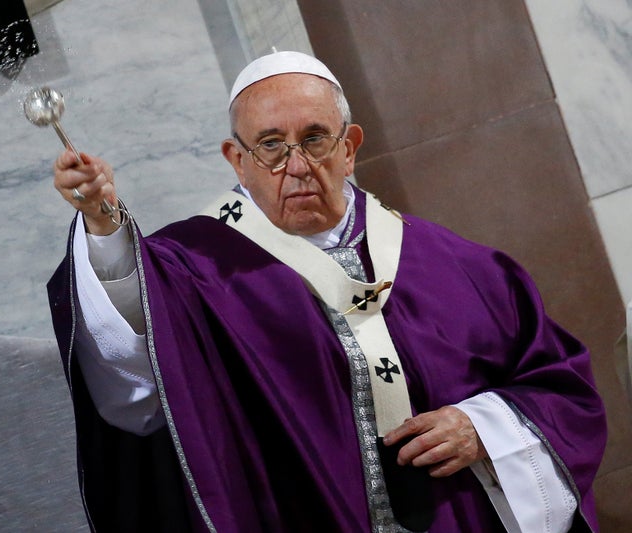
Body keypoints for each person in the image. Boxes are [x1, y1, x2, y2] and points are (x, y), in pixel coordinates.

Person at [47, 51, 606, 533]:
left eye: (314, 138)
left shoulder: (456, 266)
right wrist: (104, 224)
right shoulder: (195, 271)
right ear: (236, 160)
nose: (296, 166)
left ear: (350, 146)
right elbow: (138, 368)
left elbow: (562, 389)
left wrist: (482, 428)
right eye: (270, 145)